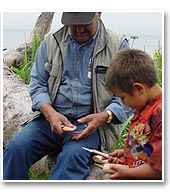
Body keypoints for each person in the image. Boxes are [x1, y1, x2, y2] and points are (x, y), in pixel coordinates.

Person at [3, 12, 132, 180]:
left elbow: (128, 95)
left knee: (72, 157)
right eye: (73, 24)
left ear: (98, 14)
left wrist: (105, 116)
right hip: (49, 120)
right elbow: (37, 85)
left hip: (92, 126)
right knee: (15, 148)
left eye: (84, 23)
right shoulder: (51, 42)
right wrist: (50, 114)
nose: (78, 30)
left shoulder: (117, 45)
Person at [105, 49, 162, 180]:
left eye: (123, 97)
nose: (122, 103)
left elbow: (160, 169)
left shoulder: (161, 116)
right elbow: (146, 146)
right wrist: (127, 154)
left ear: (139, 89)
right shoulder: (143, 105)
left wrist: (128, 173)